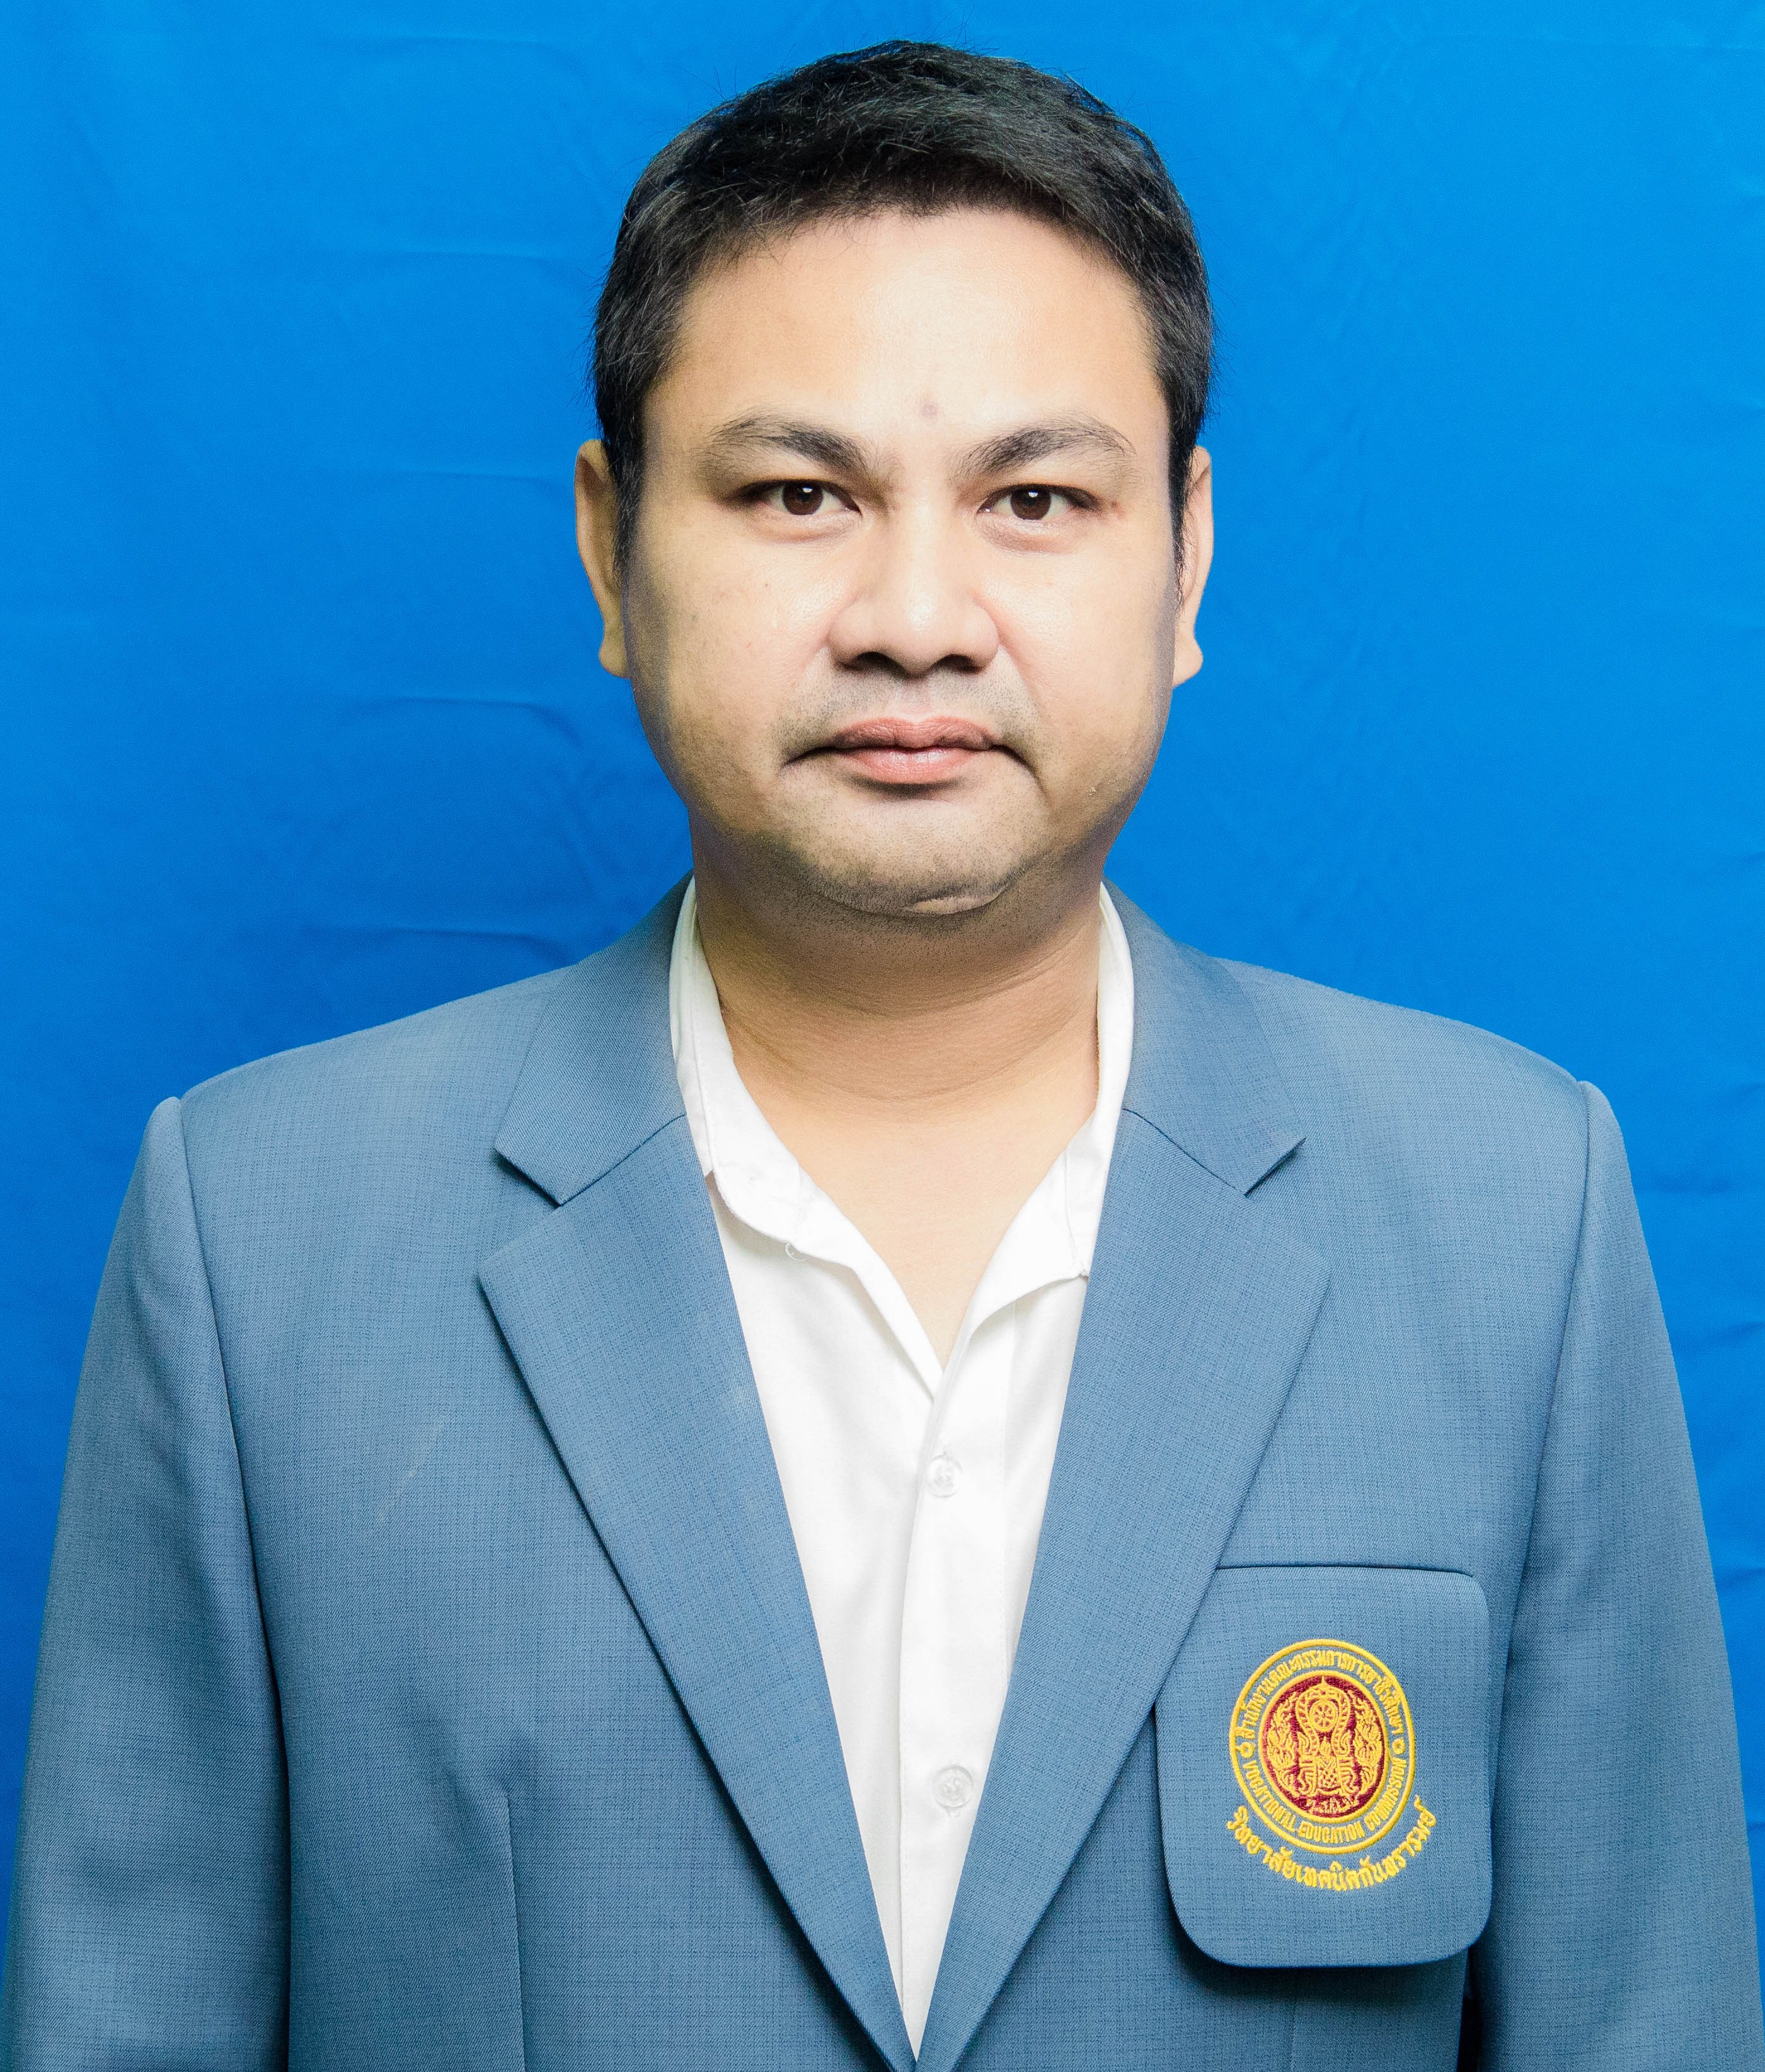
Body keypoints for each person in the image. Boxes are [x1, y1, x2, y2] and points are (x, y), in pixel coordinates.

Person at [3, 39, 1759, 2072]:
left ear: (1184, 555)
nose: (914, 618)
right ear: (608, 547)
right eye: (796, 495)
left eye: (1034, 499)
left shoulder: (1507, 1214)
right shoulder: (263, 1238)